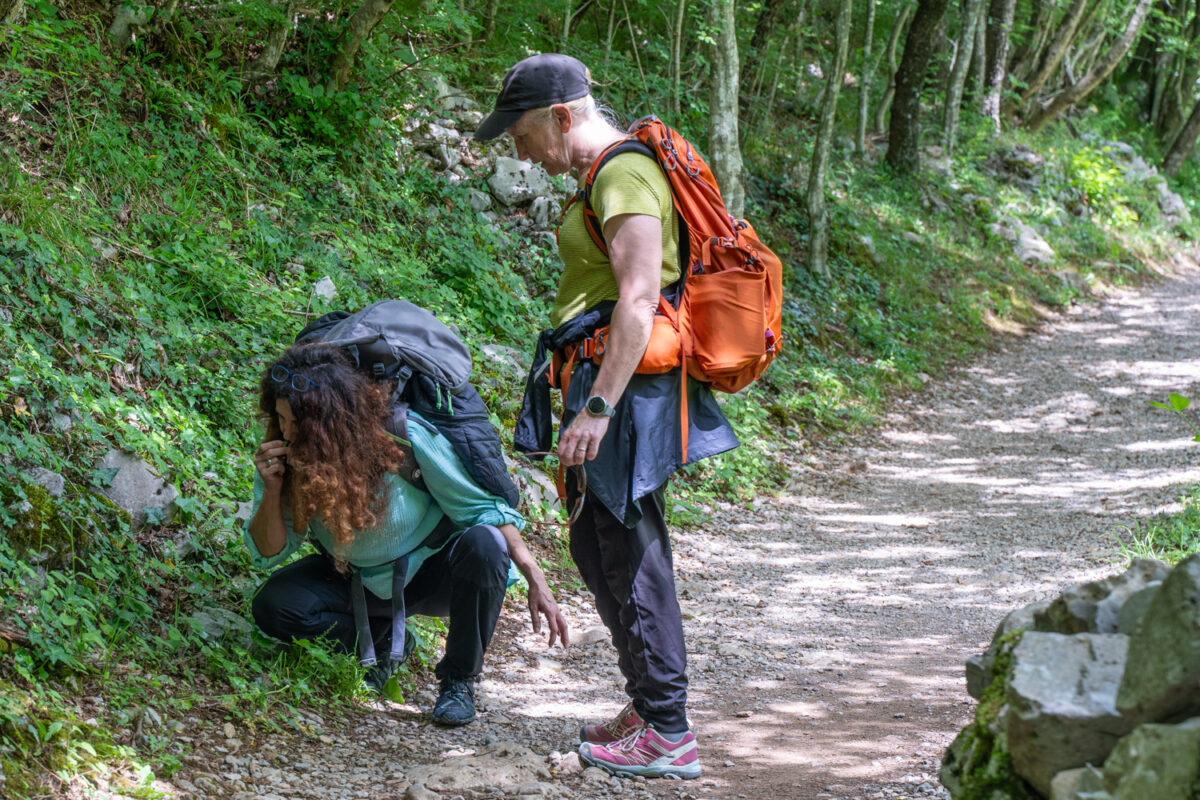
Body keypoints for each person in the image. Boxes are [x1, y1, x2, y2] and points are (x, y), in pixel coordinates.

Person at [474, 54, 738, 779]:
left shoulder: (623, 174)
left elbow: (638, 298)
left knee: (628, 546)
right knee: (596, 547)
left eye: (521, 133)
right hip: (600, 380)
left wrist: (597, 406)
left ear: (562, 115)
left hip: (619, 390)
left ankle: (670, 730)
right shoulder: (602, 177)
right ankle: (649, 708)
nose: (518, 151)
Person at [245, 342, 568, 727]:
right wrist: (273, 490)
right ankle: (384, 644)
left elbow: (482, 509)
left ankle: (459, 681)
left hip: (430, 574)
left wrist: (535, 576)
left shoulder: (403, 436)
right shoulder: (285, 458)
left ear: (328, 421)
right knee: (274, 605)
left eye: (297, 423)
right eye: (281, 419)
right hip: (355, 578)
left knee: (485, 544)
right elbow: (269, 550)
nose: (286, 432)